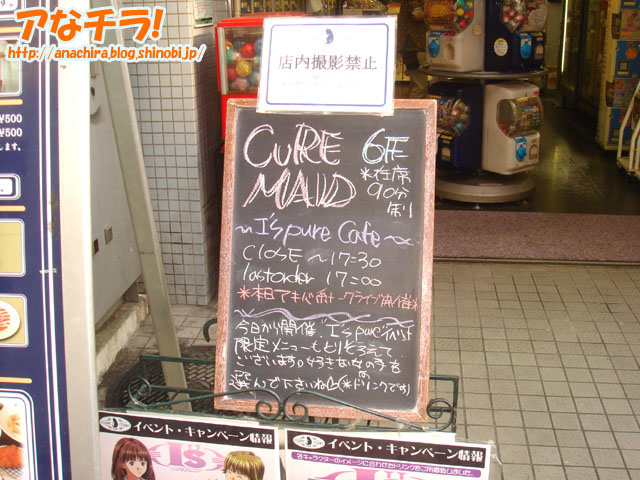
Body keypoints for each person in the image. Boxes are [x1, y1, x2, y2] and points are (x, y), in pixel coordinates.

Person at [397, 0, 429, 98]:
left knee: (416, 84)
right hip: (415, 45)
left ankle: (411, 106)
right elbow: (418, 15)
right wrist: (436, 11)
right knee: (420, 86)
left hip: (413, 45)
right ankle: (414, 107)